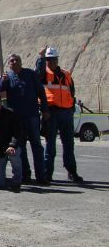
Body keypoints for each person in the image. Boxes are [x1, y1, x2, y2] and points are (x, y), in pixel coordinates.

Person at [36, 46, 84, 183]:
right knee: (50, 145)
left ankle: (72, 172)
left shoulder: (66, 74)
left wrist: (70, 108)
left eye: (53, 59)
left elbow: (71, 91)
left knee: (69, 144)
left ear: (57, 60)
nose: (51, 62)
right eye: (48, 60)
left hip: (66, 113)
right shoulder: (43, 74)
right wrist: (40, 57)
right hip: (51, 113)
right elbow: (37, 75)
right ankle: (47, 174)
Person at [0, 53, 49, 185]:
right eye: (11, 61)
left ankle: (41, 176)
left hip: (32, 115)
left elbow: (41, 92)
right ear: (8, 64)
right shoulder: (7, 77)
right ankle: (26, 175)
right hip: (16, 118)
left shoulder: (30, 74)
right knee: (20, 147)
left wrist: (45, 109)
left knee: (36, 145)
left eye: (17, 60)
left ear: (21, 62)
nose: (14, 62)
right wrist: (2, 81)